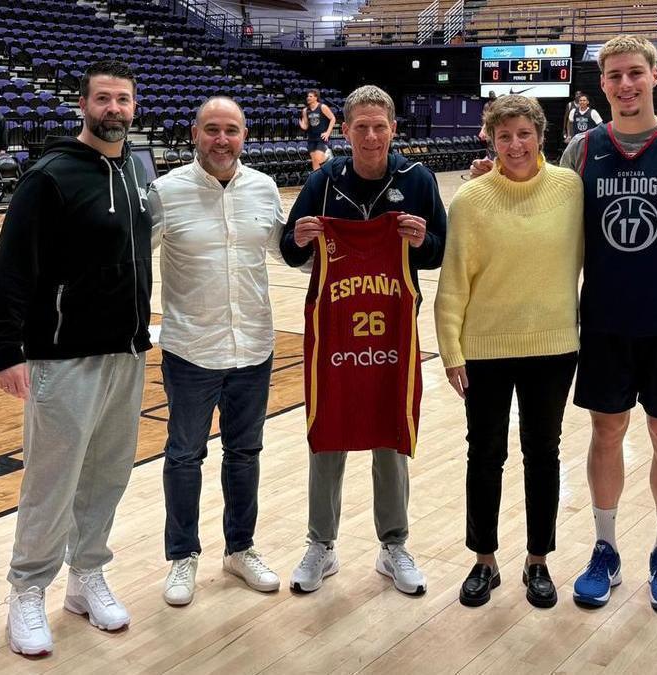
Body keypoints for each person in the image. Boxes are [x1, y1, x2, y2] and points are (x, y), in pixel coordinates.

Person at [469, 34, 657, 614]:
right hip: (603, 324)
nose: (625, 84)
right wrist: (488, 173)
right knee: (606, 433)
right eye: (614, 76)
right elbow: (531, 197)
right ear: (602, 85)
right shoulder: (582, 151)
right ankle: (605, 548)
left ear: (654, 76)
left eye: (635, 73)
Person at [0, 60, 151, 657]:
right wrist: (7, 349)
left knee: (107, 477)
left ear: (135, 107)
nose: (114, 109)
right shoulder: (49, 177)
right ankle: (27, 589)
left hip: (127, 354)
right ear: (83, 105)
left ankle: (85, 576)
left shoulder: (135, 170)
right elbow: (11, 270)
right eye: (103, 99)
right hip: (62, 358)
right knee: (52, 483)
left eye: (123, 100)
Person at [279, 84, 446, 596]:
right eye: (361, 127)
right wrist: (302, 237)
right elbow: (289, 249)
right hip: (334, 330)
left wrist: (422, 241)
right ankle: (320, 544)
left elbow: (440, 250)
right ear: (344, 131)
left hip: (392, 325)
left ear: (393, 129)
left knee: (389, 431)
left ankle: (393, 544)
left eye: (380, 126)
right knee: (327, 429)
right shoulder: (324, 181)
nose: (371, 135)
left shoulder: (417, 180)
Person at [434, 94, 584, 609]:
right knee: (485, 454)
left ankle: (538, 560)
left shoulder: (570, 189)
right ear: (490, 140)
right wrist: (451, 350)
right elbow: (452, 282)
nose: (515, 145)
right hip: (485, 349)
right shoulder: (471, 199)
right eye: (504, 136)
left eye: (524, 134)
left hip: (554, 346)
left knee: (543, 454)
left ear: (541, 136)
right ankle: (484, 560)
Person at [148, 96, 284, 606]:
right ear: (194, 133)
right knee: (184, 456)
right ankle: (183, 557)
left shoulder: (264, 189)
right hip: (190, 349)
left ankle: (240, 549)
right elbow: (133, 260)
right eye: (212, 130)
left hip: (253, 346)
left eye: (231, 130)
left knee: (244, 454)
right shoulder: (164, 192)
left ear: (244, 135)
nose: (222, 140)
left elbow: (288, 253)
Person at [300, 89, 336, 171]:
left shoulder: (322, 107)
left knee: (318, 159)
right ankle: (318, 181)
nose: (308, 98)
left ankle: (327, 156)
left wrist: (328, 132)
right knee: (315, 162)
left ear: (316, 98)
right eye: (307, 96)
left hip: (321, 137)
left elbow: (333, 118)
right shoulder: (305, 110)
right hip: (311, 138)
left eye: (310, 96)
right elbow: (306, 125)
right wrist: (303, 126)